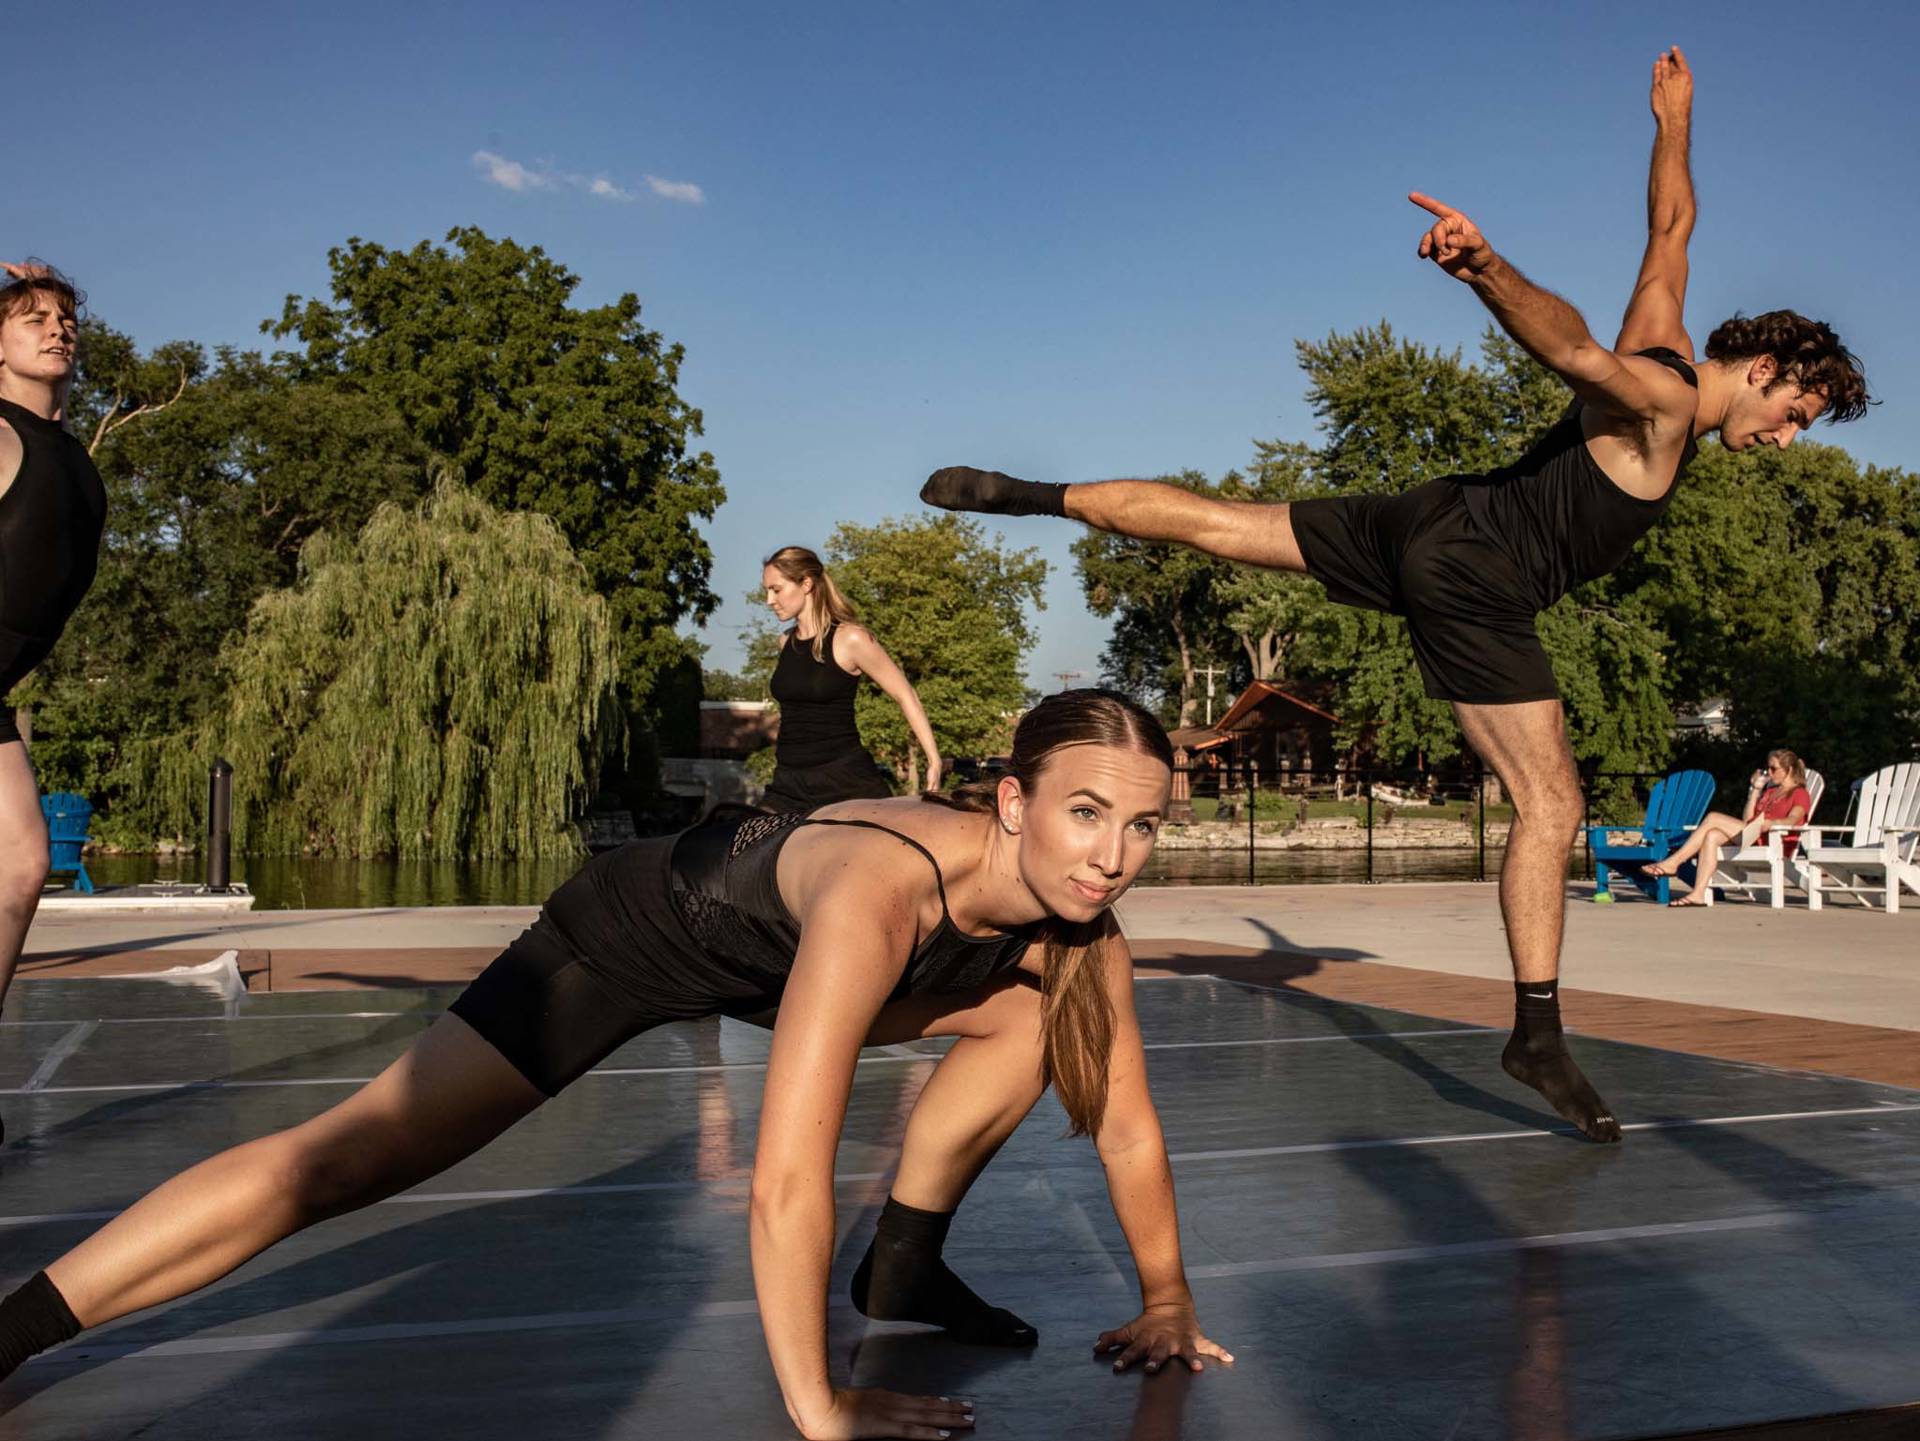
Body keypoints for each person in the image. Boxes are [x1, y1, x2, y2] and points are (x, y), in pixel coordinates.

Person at [918, 49, 1871, 1144]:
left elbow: (1671, 227)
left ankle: (1027, 492)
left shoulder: (1664, 338)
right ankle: (1538, 1028)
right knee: (1551, 802)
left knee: (1226, 523)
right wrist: (1487, 268)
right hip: (1478, 575)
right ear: (1761, 369)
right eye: (1796, 412)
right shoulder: (1660, 402)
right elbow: (1567, 346)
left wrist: (1674, 119)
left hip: (1428, 516)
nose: (1788, 439)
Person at [0, 690, 1231, 1436]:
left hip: (767, 961)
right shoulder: (883, 889)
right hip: (627, 942)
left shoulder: (1080, 930)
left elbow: (1126, 1123)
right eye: (1087, 812)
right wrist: (820, 1407)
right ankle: (12, 1330)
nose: (1115, 853)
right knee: (345, 1160)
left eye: (1142, 826)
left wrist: (1168, 1297)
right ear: (1013, 801)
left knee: (1039, 1015)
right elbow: (787, 1175)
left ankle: (904, 1266)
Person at [0, 263, 108, 1148]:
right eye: (31, 318)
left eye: (65, 317)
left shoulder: (65, 444)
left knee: (21, 868)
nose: (56, 328)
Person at [759, 545, 941, 811]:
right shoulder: (785, 642)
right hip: (787, 782)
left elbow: (905, 694)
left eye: (776, 589)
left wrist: (934, 760)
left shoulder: (851, 639)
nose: (769, 600)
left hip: (844, 781)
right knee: (744, 845)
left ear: (806, 583)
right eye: (766, 591)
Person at [1644, 749, 1813, 906]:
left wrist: (1772, 823)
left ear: (1789, 770)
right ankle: (1698, 894)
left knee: (1713, 817)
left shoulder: (1799, 794)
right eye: (1768, 768)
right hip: (1752, 835)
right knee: (1712, 835)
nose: (1769, 772)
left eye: (1773, 768)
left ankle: (1675, 862)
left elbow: (1793, 819)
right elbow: (1747, 819)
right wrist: (1755, 789)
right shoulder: (1770, 792)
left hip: (1774, 841)